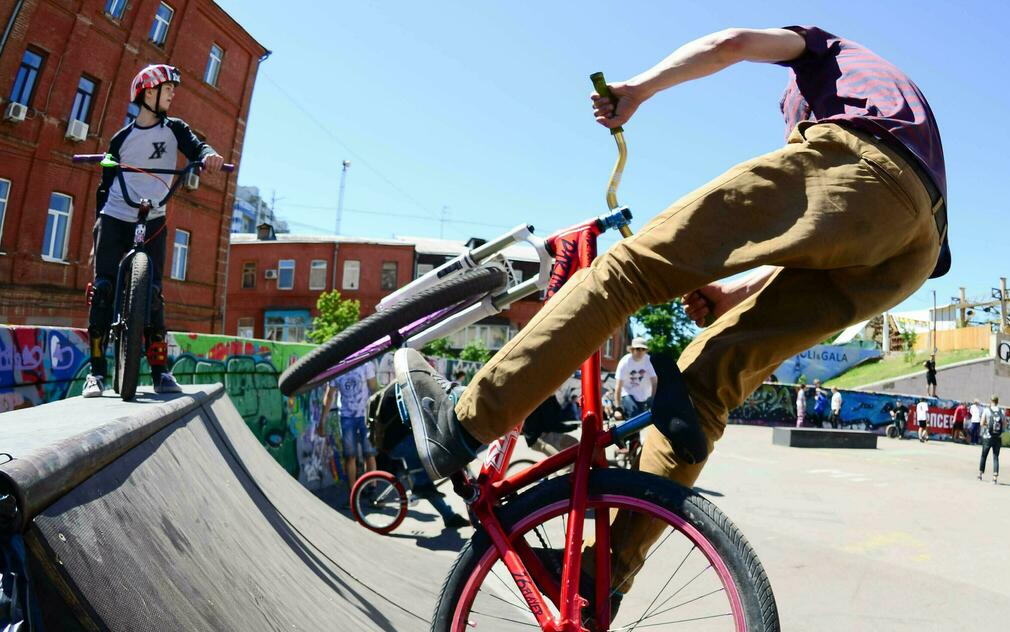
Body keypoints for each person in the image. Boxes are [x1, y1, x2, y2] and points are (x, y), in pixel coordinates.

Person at [394, 25, 948, 594]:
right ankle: (602, 570)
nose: (790, 135)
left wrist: (638, 89)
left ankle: (463, 425)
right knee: (708, 383)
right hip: (915, 250)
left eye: (792, 125)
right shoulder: (900, 100)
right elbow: (833, 240)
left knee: (626, 272)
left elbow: (731, 43)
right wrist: (733, 293)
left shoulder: (821, 51)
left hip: (864, 163)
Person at [81, 64, 224, 398]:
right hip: (116, 215)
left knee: (155, 295)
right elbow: (104, 185)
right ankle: (97, 372)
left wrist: (209, 156)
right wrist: (97, 229)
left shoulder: (175, 128)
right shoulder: (121, 139)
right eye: (167, 88)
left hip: (153, 217)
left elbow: (196, 147)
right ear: (148, 92)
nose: (173, 94)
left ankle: (160, 372)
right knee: (102, 290)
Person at [364, 386, 469, 531]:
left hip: (397, 442)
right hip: (399, 444)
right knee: (441, 452)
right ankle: (420, 489)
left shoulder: (400, 386)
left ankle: (449, 516)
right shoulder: (404, 389)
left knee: (423, 479)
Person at [325, 360, 378, 492]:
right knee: (350, 456)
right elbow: (329, 395)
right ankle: (354, 494)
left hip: (365, 415)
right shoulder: (337, 367)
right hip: (347, 417)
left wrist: (376, 414)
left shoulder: (366, 364)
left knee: (369, 454)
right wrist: (322, 420)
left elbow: (374, 390)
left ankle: (372, 490)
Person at [613, 335, 657, 419]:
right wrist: (617, 408)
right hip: (627, 393)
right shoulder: (624, 362)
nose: (640, 351)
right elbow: (618, 386)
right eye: (638, 349)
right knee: (634, 413)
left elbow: (654, 382)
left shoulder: (649, 361)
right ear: (632, 350)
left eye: (643, 349)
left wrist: (653, 398)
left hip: (644, 396)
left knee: (641, 421)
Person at [978, 395, 1004, 482]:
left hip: (987, 436)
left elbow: (981, 423)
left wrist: (988, 425)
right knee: (996, 457)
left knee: (984, 455)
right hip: (998, 437)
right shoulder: (1002, 411)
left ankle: (980, 474)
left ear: (991, 401)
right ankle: (995, 477)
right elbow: (1005, 425)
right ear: (997, 401)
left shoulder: (986, 410)